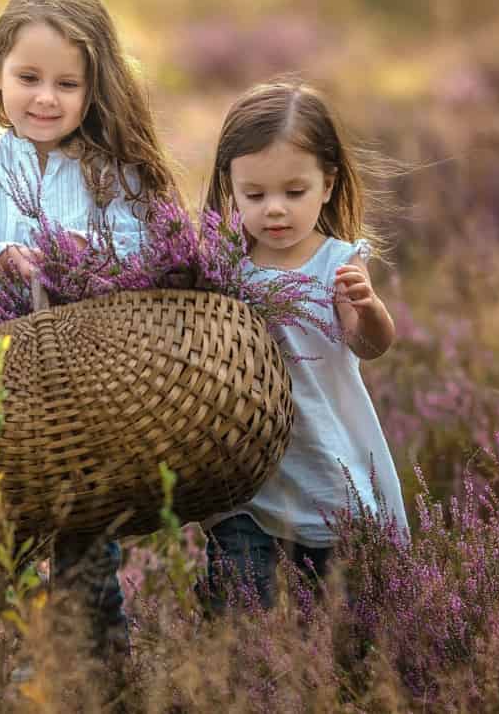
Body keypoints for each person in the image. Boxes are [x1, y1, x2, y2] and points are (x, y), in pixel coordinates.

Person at [0, 0, 179, 664]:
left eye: (66, 84)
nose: (45, 97)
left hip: (86, 388)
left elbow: (143, 252)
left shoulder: (111, 172)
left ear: (93, 89)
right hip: (1, 381)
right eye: (29, 76)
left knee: (85, 533)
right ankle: (36, 644)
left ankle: (98, 667)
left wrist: (91, 257)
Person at [199, 76, 409, 610]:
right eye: (255, 194)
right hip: (247, 471)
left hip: (321, 456)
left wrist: (370, 310)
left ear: (329, 184)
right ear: (230, 187)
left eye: (294, 193)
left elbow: (366, 345)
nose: (274, 209)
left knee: (351, 610)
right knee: (241, 604)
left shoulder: (337, 261)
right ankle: (237, 685)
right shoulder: (222, 265)